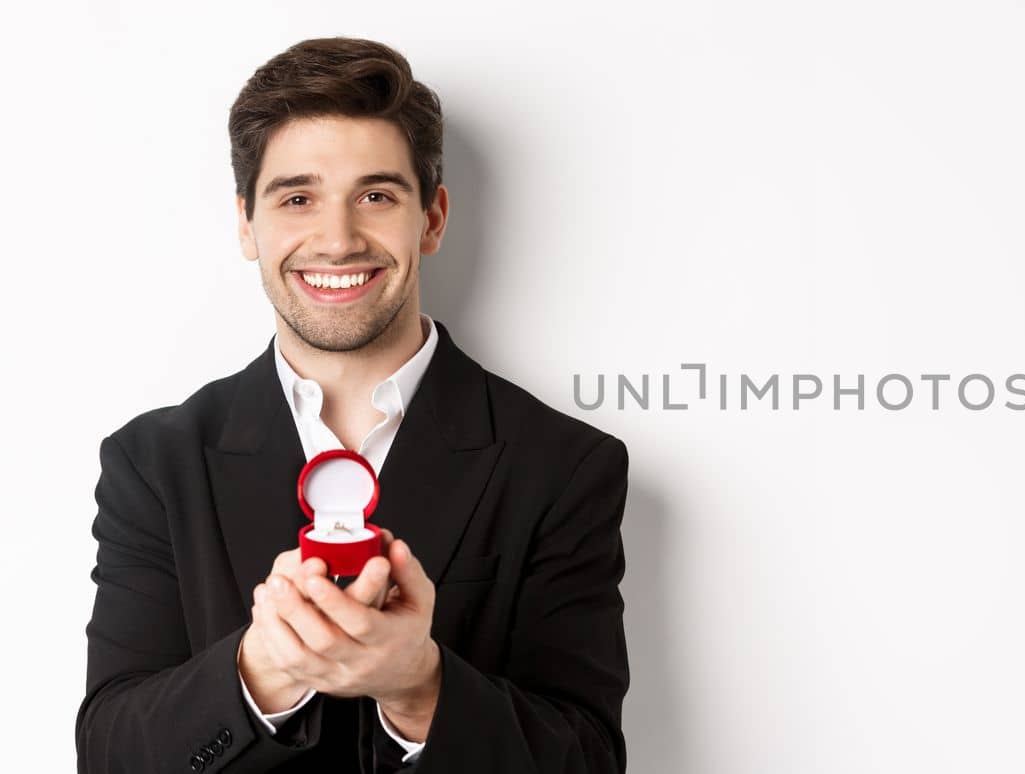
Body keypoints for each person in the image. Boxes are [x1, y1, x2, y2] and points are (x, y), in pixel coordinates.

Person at [75, 37, 630, 773]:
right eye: (297, 198)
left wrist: (420, 688)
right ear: (247, 224)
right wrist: (263, 669)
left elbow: (589, 758)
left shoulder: (562, 465)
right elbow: (110, 754)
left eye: (376, 196)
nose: (336, 241)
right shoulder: (153, 463)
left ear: (431, 219)